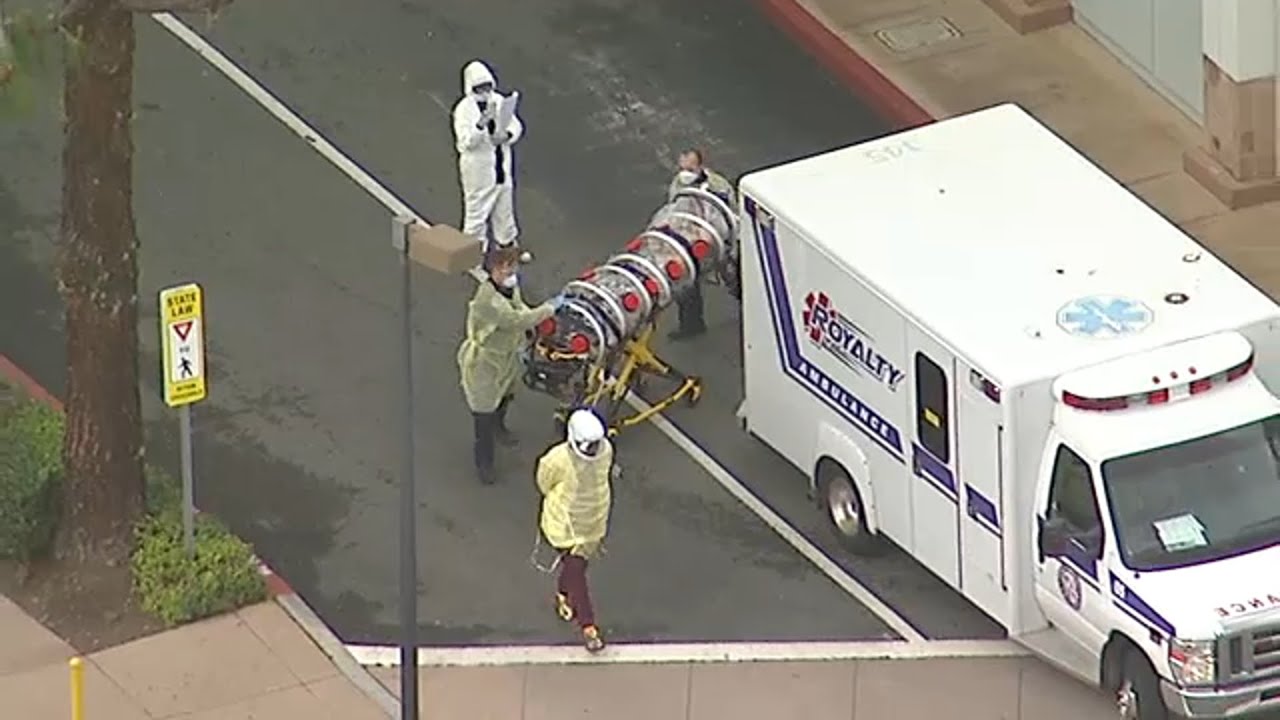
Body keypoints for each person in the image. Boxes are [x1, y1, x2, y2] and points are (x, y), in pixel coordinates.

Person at [457, 246, 561, 485]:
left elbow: (519, 306)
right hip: (485, 363)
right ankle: (485, 463)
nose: (512, 270)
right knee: (483, 413)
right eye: (507, 267)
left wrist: (535, 316)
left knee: (506, 394)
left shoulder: (507, 288)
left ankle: (499, 426)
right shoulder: (489, 301)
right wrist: (548, 309)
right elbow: (517, 319)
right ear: (494, 270)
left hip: (505, 357)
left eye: (512, 265)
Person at [536, 409, 615, 652]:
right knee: (577, 569)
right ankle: (588, 625)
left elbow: (543, 483)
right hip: (588, 524)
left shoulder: (556, 459)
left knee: (574, 567)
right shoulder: (607, 450)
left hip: (571, 524)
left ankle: (562, 594)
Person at [452, 59, 532, 268]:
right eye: (480, 87)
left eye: (487, 86)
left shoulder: (498, 100)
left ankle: (507, 252)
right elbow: (465, 142)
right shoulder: (464, 110)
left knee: (504, 211)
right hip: (478, 171)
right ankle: (472, 258)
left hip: (500, 167)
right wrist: (481, 125)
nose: (485, 91)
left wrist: (506, 135)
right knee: (477, 213)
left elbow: (516, 125)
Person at [666, 148, 734, 341]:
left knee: (733, 277)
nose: (685, 171)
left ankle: (751, 308)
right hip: (689, 242)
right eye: (683, 165)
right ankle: (691, 325)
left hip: (717, 241)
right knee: (686, 286)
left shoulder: (717, 186)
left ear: (701, 165)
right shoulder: (678, 183)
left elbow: (726, 214)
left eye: (690, 166)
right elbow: (674, 207)